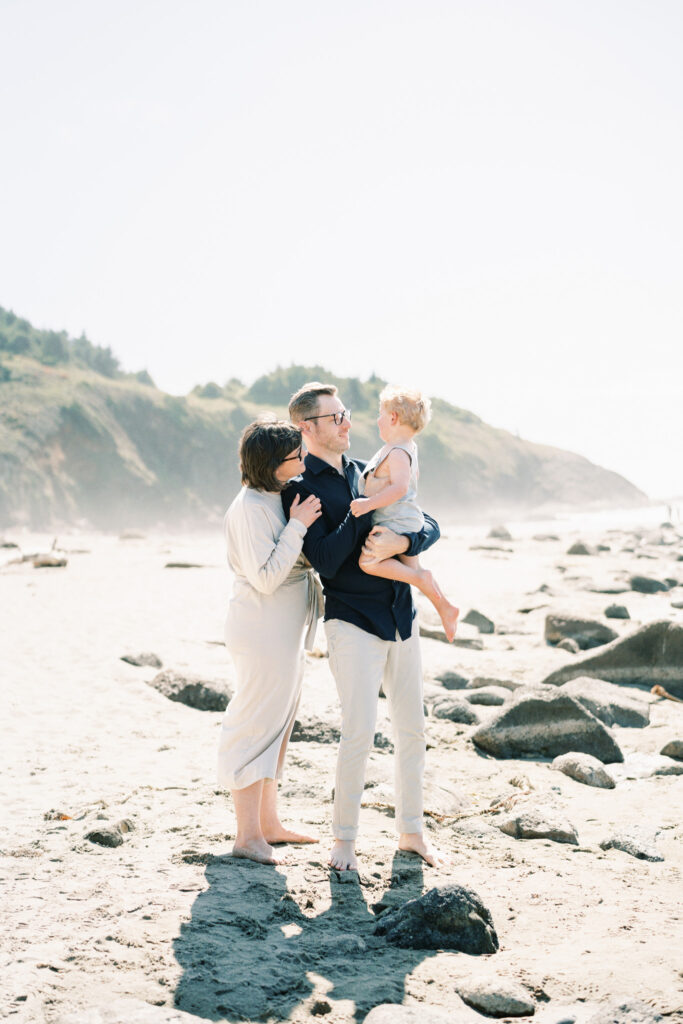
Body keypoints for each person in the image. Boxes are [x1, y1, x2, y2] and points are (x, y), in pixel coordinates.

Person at [282, 381, 448, 872]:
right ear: (306, 428)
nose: (347, 423)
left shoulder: (366, 469)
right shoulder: (301, 489)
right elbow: (328, 561)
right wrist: (365, 510)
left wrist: (405, 540)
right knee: (359, 732)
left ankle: (411, 832)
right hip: (352, 619)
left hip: (401, 613)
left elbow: (429, 521)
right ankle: (344, 842)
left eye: (347, 413)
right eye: (336, 418)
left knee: (413, 729)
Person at [217, 417, 323, 865]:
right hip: (260, 629)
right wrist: (298, 525)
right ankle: (247, 837)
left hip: (283, 632)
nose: (302, 460)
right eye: (294, 456)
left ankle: (269, 824)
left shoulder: (274, 497)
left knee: (279, 726)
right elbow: (264, 578)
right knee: (254, 724)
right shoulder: (250, 507)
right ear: (269, 464)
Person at [349, 385, 459, 642]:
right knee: (415, 571)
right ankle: (445, 608)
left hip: (397, 521)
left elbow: (399, 488)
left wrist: (369, 503)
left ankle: (423, 581)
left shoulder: (398, 452)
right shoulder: (404, 447)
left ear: (393, 418)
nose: (377, 419)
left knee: (368, 562)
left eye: (380, 413)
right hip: (405, 519)